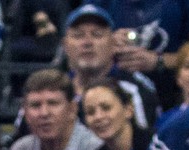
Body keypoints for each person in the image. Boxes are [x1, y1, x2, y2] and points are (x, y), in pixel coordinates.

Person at [56, 4, 160, 133]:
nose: (87, 42)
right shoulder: (53, 90)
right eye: (78, 35)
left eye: (97, 35)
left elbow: (144, 148)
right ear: (65, 46)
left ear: (113, 44)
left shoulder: (134, 90)